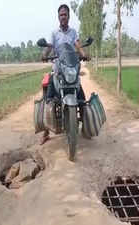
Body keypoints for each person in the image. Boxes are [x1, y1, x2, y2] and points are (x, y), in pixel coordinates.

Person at [39, 4, 89, 145]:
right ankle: (46, 132)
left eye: (65, 14)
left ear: (68, 16)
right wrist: (44, 55)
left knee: (82, 98)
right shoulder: (54, 33)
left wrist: (84, 54)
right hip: (58, 69)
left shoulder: (73, 32)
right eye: (61, 15)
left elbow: (78, 45)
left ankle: (86, 126)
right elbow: (49, 47)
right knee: (48, 98)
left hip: (71, 69)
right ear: (58, 17)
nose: (63, 17)